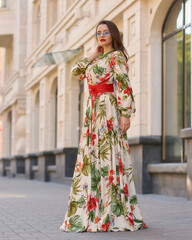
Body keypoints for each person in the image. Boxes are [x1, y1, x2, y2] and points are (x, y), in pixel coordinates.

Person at [59, 20, 148, 233]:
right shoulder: (97, 58)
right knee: (93, 159)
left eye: (105, 31)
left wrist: (125, 114)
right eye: (98, 32)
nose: (101, 35)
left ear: (113, 34)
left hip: (109, 111)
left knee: (109, 158)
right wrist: (92, 54)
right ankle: (93, 211)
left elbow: (124, 85)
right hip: (93, 115)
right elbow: (75, 71)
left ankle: (114, 210)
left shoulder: (117, 57)